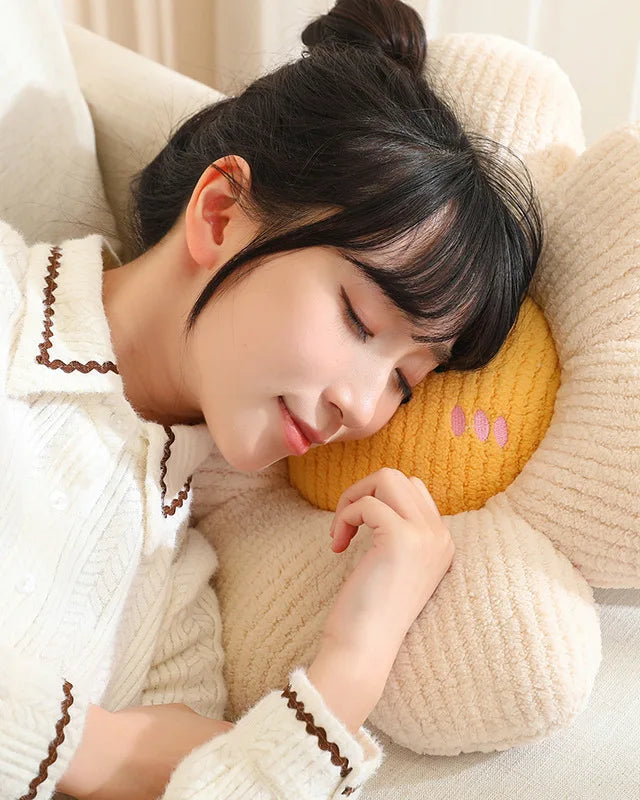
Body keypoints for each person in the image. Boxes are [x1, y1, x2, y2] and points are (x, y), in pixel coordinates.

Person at [0, 0, 541, 798]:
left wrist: (352, 667)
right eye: (360, 319)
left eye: (404, 380)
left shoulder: (174, 604)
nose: (366, 410)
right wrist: (93, 751)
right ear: (220, 214)